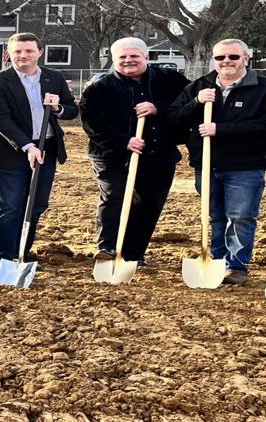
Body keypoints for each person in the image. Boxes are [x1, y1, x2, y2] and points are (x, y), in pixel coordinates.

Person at [169, 39, 266, 286]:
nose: (226, 62)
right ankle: (217, 260)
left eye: (233, 57)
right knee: (214, 216)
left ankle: (237, 266)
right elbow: (174, 119)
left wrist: (220, 129)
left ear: (246, 57)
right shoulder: (201, 86)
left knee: (241, 216)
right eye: (220, 58)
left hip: (246, 165)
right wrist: (196, 102)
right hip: (207, 164)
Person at [78, 37, 189, 267]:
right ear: (114, 60)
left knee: (149, 204)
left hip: (159, 152)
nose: (128, 60)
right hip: (111, 154)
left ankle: (133, 254)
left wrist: (158, 106)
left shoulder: (170, 80)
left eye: (134, 56)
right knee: (115, 196)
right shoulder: (98, 89)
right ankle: (108, 247)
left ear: (146, 57)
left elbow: (189, 102)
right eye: (122, 57)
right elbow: (92, 124)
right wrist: (124, 141)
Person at [0, 32, 77, 266]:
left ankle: (22, 251)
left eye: (29, 51)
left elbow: (72, 110)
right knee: (10, 205)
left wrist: (57, 108)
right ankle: (4, 258)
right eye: (17, 51)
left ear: (39, 52)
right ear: (8, 54)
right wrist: (27, 145)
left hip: (47, 148)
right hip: (10, 151)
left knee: (36, 204)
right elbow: (0, 120)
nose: (23, 55)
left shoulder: (54, 78)